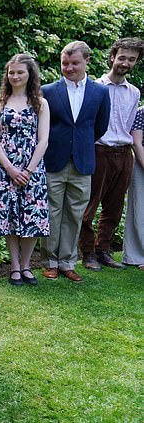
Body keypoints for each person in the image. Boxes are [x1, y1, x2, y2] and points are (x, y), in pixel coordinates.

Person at [40, 41, 111, 282]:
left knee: (74, 214)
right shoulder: (48, 91)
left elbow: (100, 126)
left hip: (83, 162)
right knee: (51, 212)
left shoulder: (100, 92)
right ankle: (50, 262)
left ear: (86, 61)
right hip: (53, 160)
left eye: (74, 63)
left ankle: (68, 262)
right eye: (65, 63)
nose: (69, 68)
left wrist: (81, 143)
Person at [0, 54, 50, 286]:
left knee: (31, 216)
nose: (15, 76)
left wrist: (28, 170)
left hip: (32, 169)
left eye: (20, 72)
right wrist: (10, 169)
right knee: (9, 216)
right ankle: (14, 267)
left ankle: (27, 265)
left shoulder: (40, 103)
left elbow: (43, 141)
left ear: (30, 74)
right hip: (4, 169)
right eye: (11, 72)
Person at [80, 37, 144, 271]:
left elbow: (129, 126)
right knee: (90, 205)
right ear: (112, 57)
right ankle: (87, 253)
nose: (125, 63)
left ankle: (103, 251)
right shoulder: (94, 87)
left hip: (124, 153)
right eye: (122, 57)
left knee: (114, 208)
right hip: (99, 151)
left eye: (132, 59)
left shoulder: (134, 93)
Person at [122, 106, 144, 270]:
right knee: (139, 209)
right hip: (141, 162)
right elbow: (136, 142)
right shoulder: (141, 112)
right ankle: (137, 255)